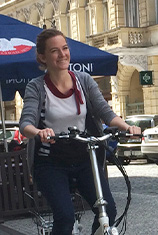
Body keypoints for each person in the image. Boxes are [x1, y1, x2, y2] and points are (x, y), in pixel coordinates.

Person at [19, 28, 141, 235]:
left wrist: (128, 127)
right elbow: (25, 124)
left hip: (85, 159)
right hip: (50, 162)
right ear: (43, 57)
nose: (62, 54)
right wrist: (39, 132)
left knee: (108, 210)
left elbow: (106, 112)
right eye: (55, 51)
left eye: (65, 48)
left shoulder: (83, 80)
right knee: (65, 217)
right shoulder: (37, 87)